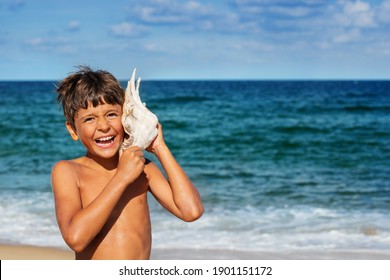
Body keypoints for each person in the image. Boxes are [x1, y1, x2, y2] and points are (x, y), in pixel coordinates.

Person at [51, 66, 204, 260]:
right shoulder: (68, 171)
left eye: (111, 114)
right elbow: (76, 238)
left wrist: (160, 147)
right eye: (90, 119)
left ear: (125, 117)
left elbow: (191, 211)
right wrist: (122, 177)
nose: (104, 126)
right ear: (73, 130)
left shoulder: (143, 168)